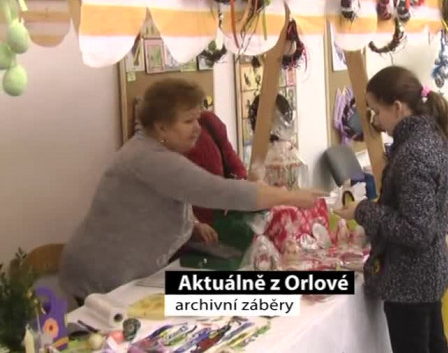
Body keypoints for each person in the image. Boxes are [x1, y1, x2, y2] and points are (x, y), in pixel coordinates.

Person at [60, 79, 322, 301]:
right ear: (161, 127)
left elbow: (166, 196)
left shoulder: (155, 150)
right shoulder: (149, 158)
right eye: (188, 121)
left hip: (124, 272)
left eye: (198, 118)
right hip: (101, 276)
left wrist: (192, 223)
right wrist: (291, 197)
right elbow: (218, 191)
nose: (198, 127)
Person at [335, 66, 448, 353]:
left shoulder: (414, 153)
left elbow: (416, 230)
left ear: (398, 107)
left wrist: (363, 210)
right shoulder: (430, 138)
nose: (376, 120)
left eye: (377, 111)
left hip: (411, 278)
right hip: (427, 271)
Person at [185, 110, 248, 235]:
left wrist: (237, 187)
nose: (196, 127)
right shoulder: (158, 151)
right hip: (190, 233)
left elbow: (236, 167)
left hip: (225, 220)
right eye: (188, 121)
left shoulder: (207, 121)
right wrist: (193, 224)